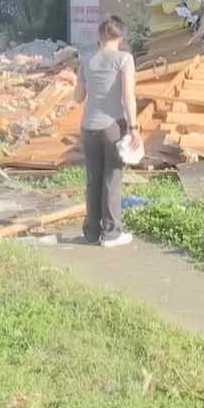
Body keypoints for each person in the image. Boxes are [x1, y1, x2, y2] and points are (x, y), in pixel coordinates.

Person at [73, 15, 141, 247]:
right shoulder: (124, 59)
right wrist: (134, 128)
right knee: (112, 178)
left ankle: (92, 232)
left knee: (93, 180)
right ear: (120, 37)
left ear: (99, 36)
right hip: (112, 126)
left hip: (88, 127)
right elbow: (128, 96)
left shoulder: (86, 59)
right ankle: (112, 234)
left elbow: (79, 97)